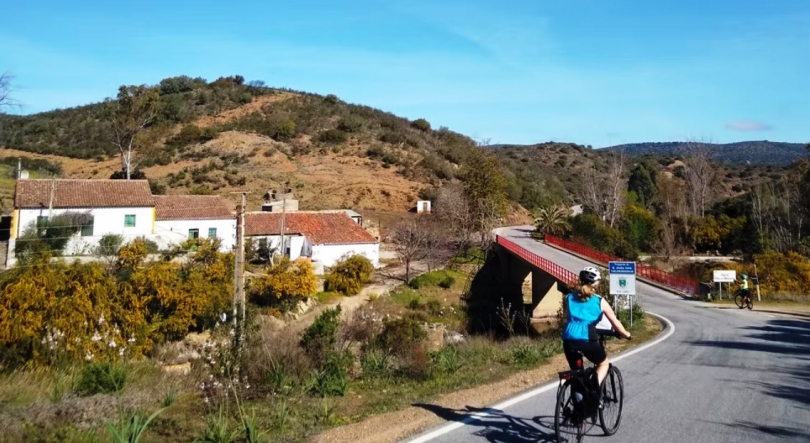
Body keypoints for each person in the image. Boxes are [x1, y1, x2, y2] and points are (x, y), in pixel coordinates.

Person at [562, 266, 632, 391]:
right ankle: (593, 389)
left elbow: (567, 318)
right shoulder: (599, 301)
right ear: (595, 284)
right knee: (603, 363)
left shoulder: (569, 298)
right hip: (587, 339)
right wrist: (626, 334)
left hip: (568, 339)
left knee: (577, 373)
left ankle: (578, 404)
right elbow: (615, 322)